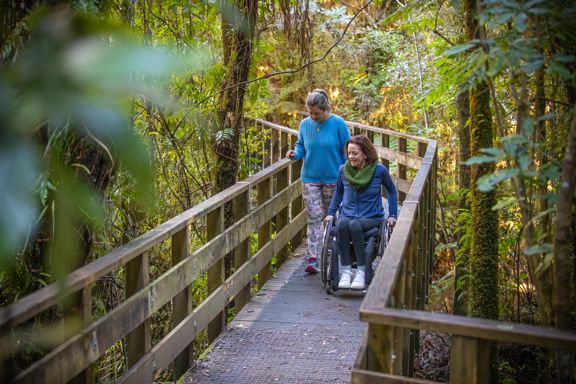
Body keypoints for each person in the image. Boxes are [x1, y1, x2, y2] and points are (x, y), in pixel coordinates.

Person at [286, 89, 350, 274]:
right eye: (310, 113)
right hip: (311, 179)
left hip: (333, 179)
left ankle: (330, 253)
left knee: (331, 218)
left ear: (326, 109)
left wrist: (349, 174)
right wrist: (294, 154)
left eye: (317, 113)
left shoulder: (338, 123)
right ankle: (313, 257)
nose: (313, 116)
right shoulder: (305, 124)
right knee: (314, 217)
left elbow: (347, 149)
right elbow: (301, 146)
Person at [324, 135, 398, 289]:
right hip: (348, 214)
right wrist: (331, 213)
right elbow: (338, 193)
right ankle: (346, 271)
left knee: (354, 225)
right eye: (349, 153)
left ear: (365, 154)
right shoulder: (343, 170)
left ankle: (361, 271)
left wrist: (392, 215)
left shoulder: (379, 170)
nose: (351, 156)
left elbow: (391, 190)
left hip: (371, 217)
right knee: (343, 223)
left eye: (355, 153)